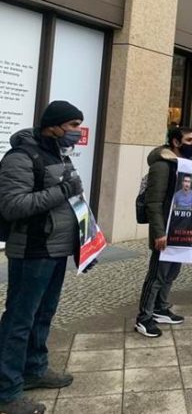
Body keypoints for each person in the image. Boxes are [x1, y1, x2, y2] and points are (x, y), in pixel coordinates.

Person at [0, 101, 85, 414]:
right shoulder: (21, 157)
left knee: (43, 314)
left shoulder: (57, 154)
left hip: (57, 248)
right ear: (54, 125)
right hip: (32, 249)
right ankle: (7, 390)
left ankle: (34, 369)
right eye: (74, 125)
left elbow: (69, 196)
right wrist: (64, 190)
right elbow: (12, 206)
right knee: (20, 319)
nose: (77, 132)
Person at [135, 127, 192, 338]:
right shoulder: (162, 166)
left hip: (181, 229)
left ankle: (161, 308)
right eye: (189, 140)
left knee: (171, 273)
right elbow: (153, 203)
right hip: (165, 231)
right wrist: (159, 233)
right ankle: (144, 318)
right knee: (157, 275)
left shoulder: (187, 165)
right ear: (176, 142)